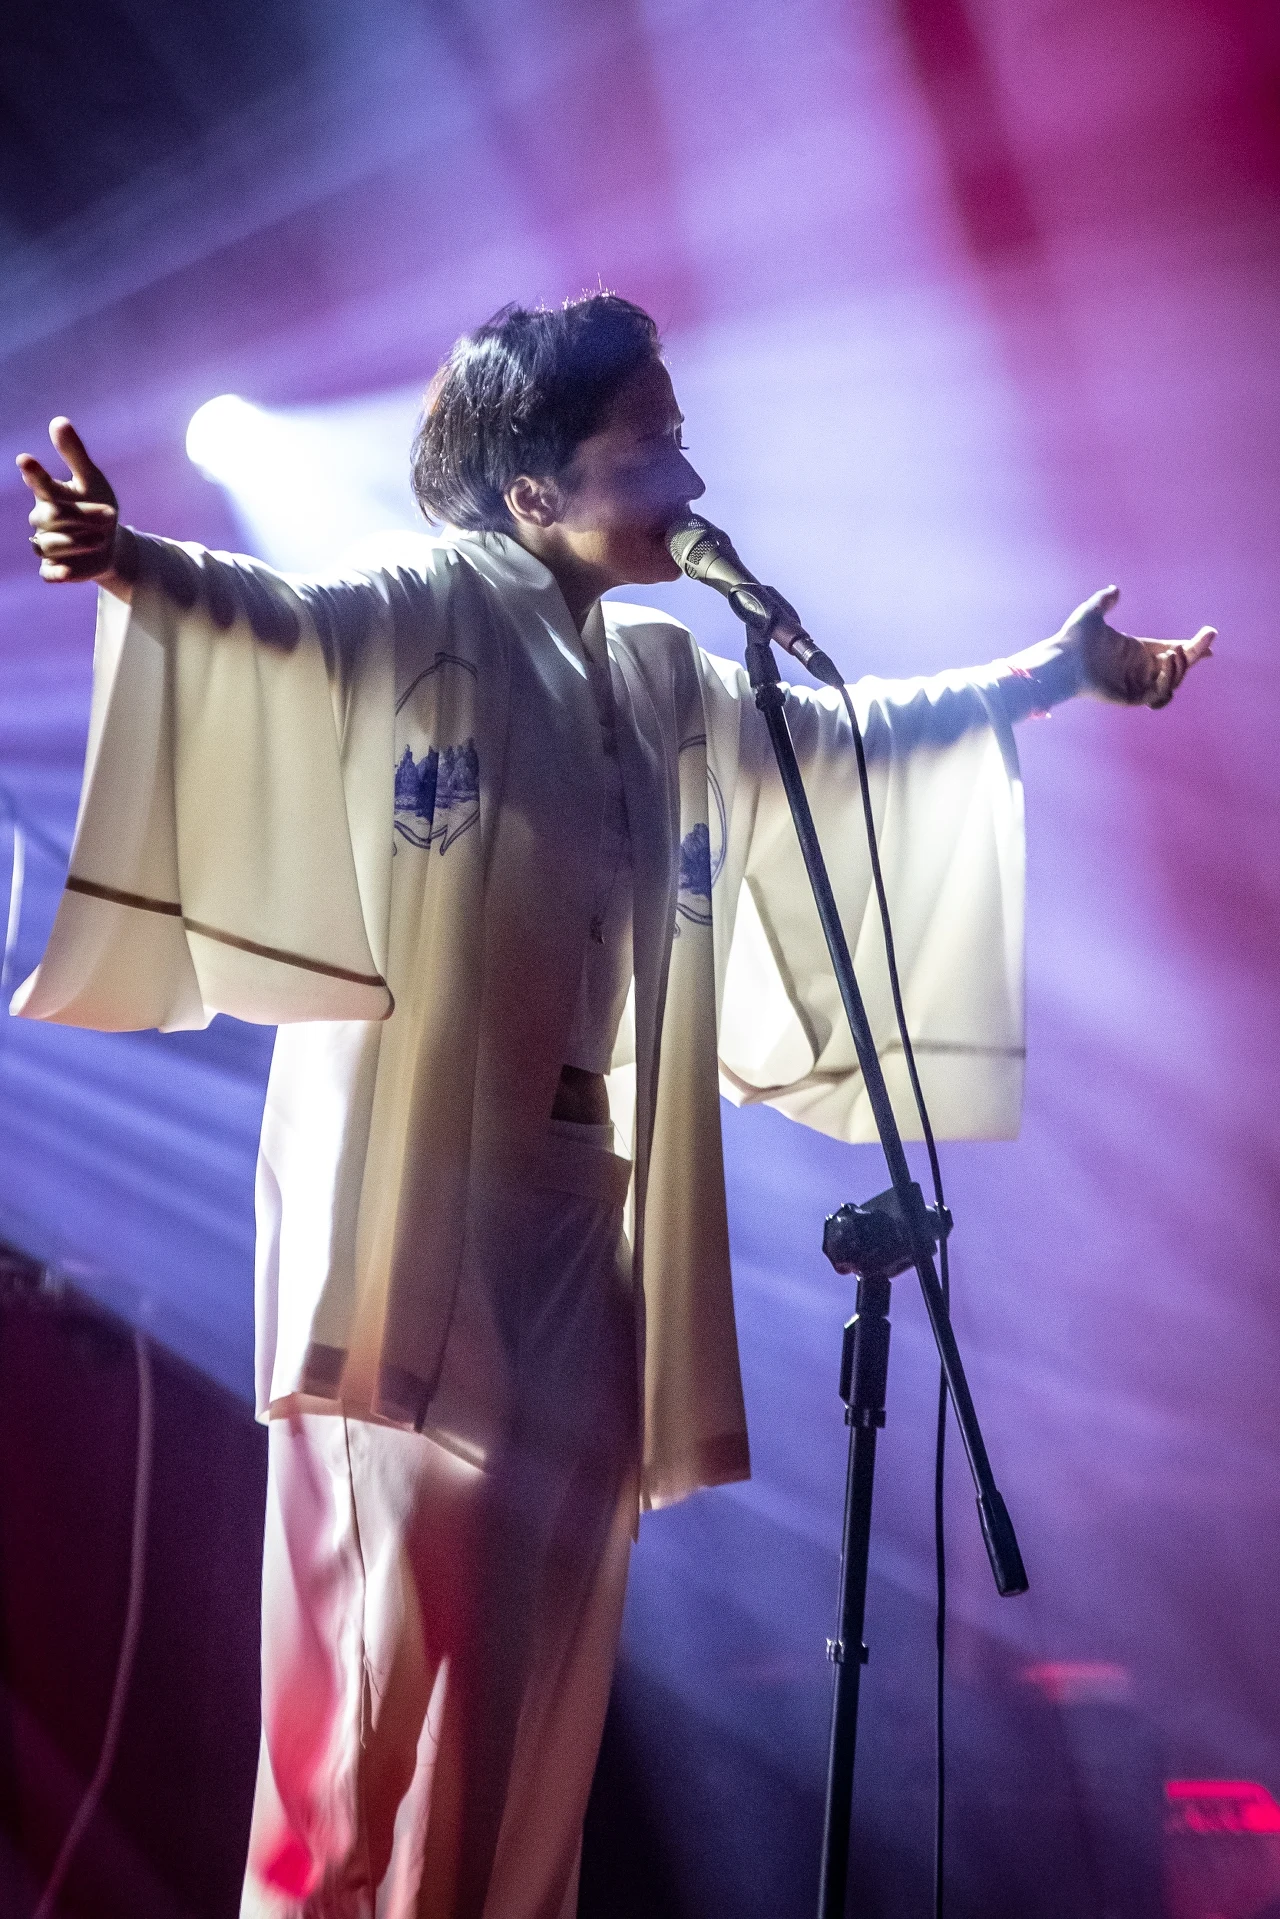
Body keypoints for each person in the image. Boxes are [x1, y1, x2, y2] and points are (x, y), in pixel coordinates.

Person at [13, 294, 1212, 1919]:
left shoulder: (664, 674)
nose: (688, 477)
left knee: (531, 1696)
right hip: (422, 1225)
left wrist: (1053, 675)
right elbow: (274, 617)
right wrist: (128, 561)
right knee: (371, 1704)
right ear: (533, 491)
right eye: (649, 446)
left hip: (591, 1227)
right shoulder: (433, 603)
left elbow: (853, 741)